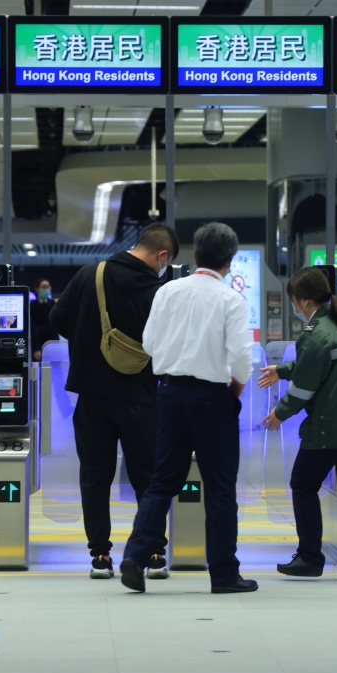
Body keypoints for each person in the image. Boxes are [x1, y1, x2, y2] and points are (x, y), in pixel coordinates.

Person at [119, 222, 256, 594]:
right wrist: (235, 389)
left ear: (195, 255)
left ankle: (135, 557)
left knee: (163, 480)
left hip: (169, 393)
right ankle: (224, 574)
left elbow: (149, 343)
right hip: (212, 397)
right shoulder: (230, 299)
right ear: (229, 261)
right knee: (220, 487)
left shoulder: (167, 291)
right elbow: (240, 357)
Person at [49, 224, 178, 579]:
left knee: (95, 477)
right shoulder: (159, 293)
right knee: (148, 478)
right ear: (162, 256)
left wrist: (91, 341)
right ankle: (153, 553)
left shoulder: (90, 274)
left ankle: (100, 557)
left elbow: (57, 318)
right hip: (142, 398)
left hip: (92, 397)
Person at [259, 267, 337, 582]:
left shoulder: (316, 332)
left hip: (328, 427)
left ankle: (309, 556)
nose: (294, 305)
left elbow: (306, 385)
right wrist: (282, 370)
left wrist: (280, 412)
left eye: (294, 299)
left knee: (303, 484)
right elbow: (317, 363)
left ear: (304, 300)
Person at [30, 279, 59, 361]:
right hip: (38, 344)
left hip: (52, 343)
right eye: (43, 287)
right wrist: (36, 348)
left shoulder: (54, 304)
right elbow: (33, 326)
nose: (46, 289)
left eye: (47, 287)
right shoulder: (32, 306)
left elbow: (55, 325)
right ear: (37, 289)